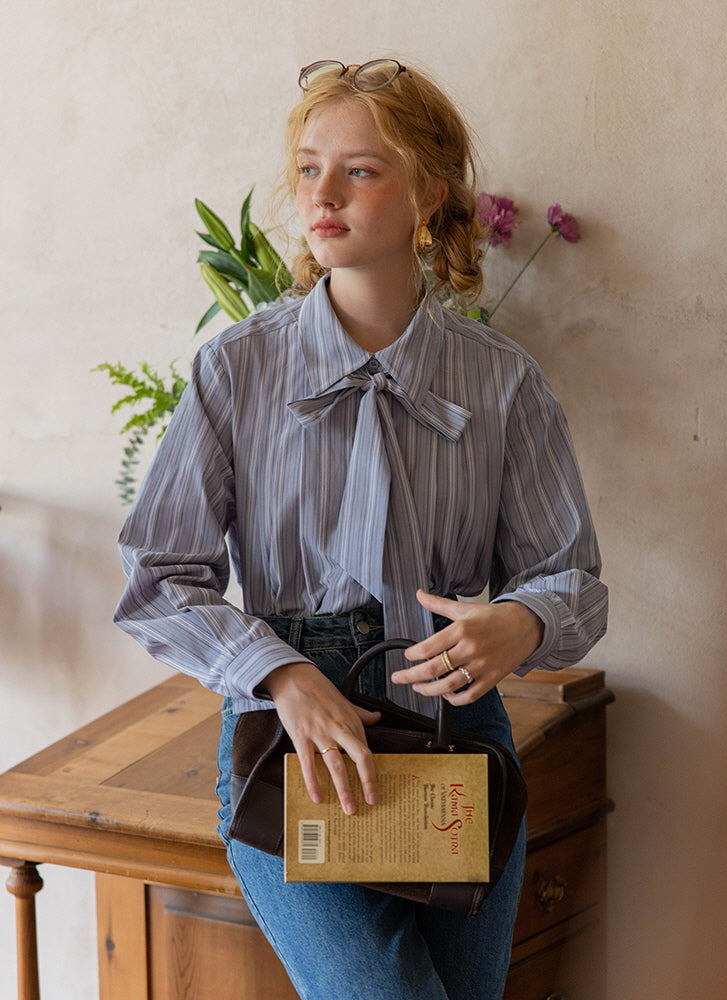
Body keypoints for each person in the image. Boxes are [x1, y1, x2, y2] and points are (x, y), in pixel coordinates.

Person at [115, 58, 608, 1000]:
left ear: (428, 192)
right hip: (292, 741)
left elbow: (571, 576)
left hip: (459, 730)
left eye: (360, 170)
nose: (323, 195)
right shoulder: (236, 371)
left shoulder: (504, 382)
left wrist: (521, 623)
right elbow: (158, 576)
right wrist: (281, 675)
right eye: (309, 169)